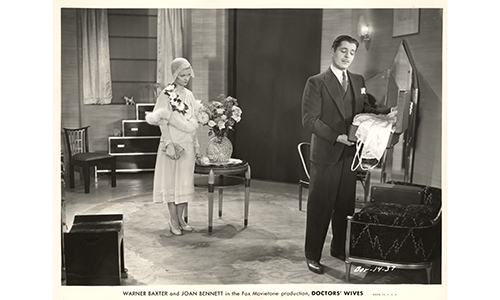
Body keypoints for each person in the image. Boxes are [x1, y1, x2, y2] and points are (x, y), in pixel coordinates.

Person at [301, 35, 390, 274]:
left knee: (345, 207)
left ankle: (339, 249)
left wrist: (388, 112)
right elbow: (310, 119)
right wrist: (336, 136)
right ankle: (312, 255)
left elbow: (365, 110)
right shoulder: (316, 82)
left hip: (350, 156)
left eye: (352, 52)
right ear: (333, 51)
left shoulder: (358, 80)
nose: (347, 56)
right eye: (343, 50)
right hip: (326, 154)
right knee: (321, 207)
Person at [146, 57, 201, 236]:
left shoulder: (189, 95)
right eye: (182, 76)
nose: (186, 79)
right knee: (171, 184)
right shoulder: (166, 94)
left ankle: (181, 219)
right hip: (172, 145)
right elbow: (161, 120)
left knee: (184, 184)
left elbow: (193, 123)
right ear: (175, 75)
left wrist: (196, 145)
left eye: (187, 75)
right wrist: (169, 143)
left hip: (187, 144)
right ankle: (173, 220)